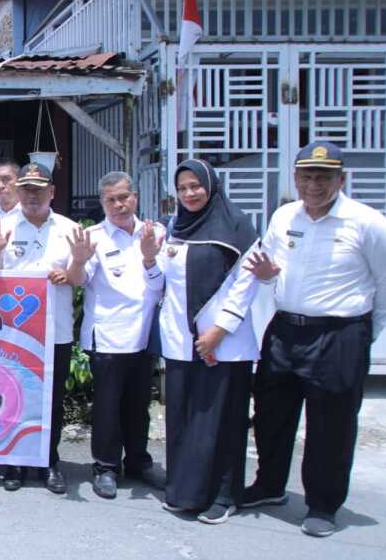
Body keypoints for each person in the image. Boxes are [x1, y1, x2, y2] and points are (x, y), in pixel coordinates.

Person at [241, 142, 386, 537]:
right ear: (296, 178)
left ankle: (323, 504)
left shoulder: (367, 223)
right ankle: (269, 486)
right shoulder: (284, 216)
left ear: (341, 179)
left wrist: (364, 333)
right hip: (285, 331)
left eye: (324, 176)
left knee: (330, 425)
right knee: (270, 414)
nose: (314, 184)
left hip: (339, 335)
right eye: (307, 176)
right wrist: (266, 276)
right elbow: (272, 271)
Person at [135, 160, 259, 524]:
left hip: (224, 343)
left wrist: (219, 331)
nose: (190, 194)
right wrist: (147, 258)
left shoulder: (237, 225)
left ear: (211, 186)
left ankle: (223, 496)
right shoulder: (176, 228)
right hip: (180, 344)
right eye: (183, 188)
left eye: (195, 186)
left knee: (221, 422)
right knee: (185, 422)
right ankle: (185, 493)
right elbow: (160, 283)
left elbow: (245, 283)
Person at [65, 171, 163, 500]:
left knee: (139, 405)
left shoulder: (156, 233)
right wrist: (77, 261)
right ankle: (105, 467)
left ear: (134, 196)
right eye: (110, 200)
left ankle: (138, 461)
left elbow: (161, 284)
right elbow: (77, 280)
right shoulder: (93, 237)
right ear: (102, 203)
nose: (118, 204)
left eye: (123, 197)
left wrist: (150, 256)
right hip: (108, 335)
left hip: (144, 334)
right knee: (107, 407)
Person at [0, 162, 78, 493]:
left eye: (39, 189)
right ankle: (14, 461)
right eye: (26, 189)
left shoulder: (69, 229)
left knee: (51, 399)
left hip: (56, 330)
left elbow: (80, 278)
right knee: (10, 394)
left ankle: (49, 461)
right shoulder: (0, 226)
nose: (32, 196)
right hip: (13, 333)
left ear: (52, 192)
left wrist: (71, 271)